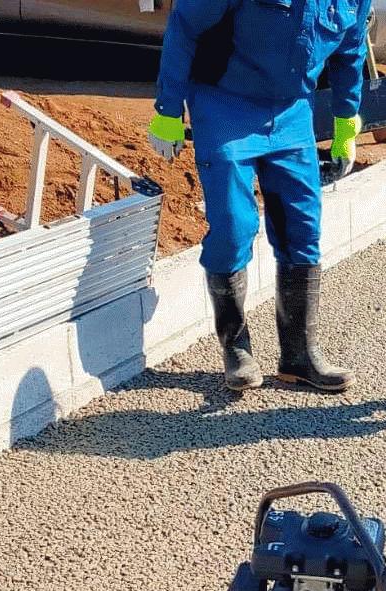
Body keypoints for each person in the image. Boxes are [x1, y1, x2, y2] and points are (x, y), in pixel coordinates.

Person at [147, 0, 371, 392]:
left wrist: (345, 122)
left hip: (292, 113)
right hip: (225, 105)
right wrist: (168, 109)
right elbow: (185, 26)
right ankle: (236, 349)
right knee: (233, 227)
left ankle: (299, 356)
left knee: (302, 229)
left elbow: (350, 51)